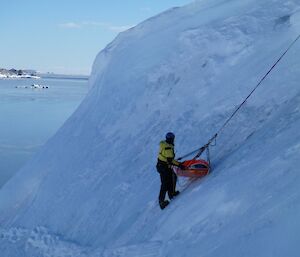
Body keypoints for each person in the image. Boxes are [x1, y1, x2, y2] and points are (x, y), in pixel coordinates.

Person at [156, 132, 185, 209]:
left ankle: (171, 193)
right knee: (165, 183)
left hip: (161, 165)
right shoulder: (168, 148)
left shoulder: (164, 143)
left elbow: (168, 158)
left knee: (172, 177)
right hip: (164, 167)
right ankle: (161, 202)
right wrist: (179, 165)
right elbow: (170, 161)